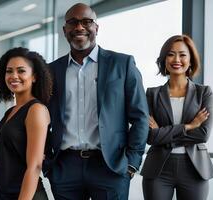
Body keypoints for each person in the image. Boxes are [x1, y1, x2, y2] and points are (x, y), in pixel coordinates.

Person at [44, 3, 149, 200]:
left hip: (110, 166)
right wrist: (48, 162)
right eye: (73, 22)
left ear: (96, 28)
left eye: (86, 22)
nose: (79, 27)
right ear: (64, 29)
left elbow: (140, 117)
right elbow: (41, 117)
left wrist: (132, 163)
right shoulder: (51, 71)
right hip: (65, 168)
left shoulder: (122, 64)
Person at [141, 35, 213, 200]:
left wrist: (162, 134)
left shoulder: (204, 93)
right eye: (170, 54)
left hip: (195, 168)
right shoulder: (152, 94)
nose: (176, 59)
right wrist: (189, 126)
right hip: (158, 168)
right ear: (164, 59)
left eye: (182, 54)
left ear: (190, 60)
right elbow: (150, 136)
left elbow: (203, 134)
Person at [0, 47, 52, 200]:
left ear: (34, 76)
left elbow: (35, 166)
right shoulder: (9, 112)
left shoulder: (36, 110)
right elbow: (1, 159)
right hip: (3, 194)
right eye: (9, 71)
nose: (13, 76)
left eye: (21, 71)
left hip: (26, 195)